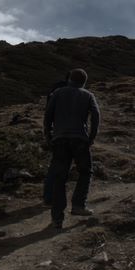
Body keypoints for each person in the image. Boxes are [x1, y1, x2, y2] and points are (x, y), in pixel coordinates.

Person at [43, 68, 100, 229]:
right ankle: (78, 206)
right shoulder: (88, 95)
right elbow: (96, 117)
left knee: (59, 178)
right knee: (85, 171)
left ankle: (56, 219)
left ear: (69, 79)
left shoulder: (58, 93)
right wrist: (91, 138)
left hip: (59, 140)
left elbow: (48, 116)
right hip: (80, 139)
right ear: (84, 82)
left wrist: (48, 135)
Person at [42, 72, 70, 206]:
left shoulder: (56, 90)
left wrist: (47, 133)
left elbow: (48, 114)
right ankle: (53, 197)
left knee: (56, 164)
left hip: (56, 132)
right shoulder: (71, 92)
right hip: (69, 133)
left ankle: (49, 196)